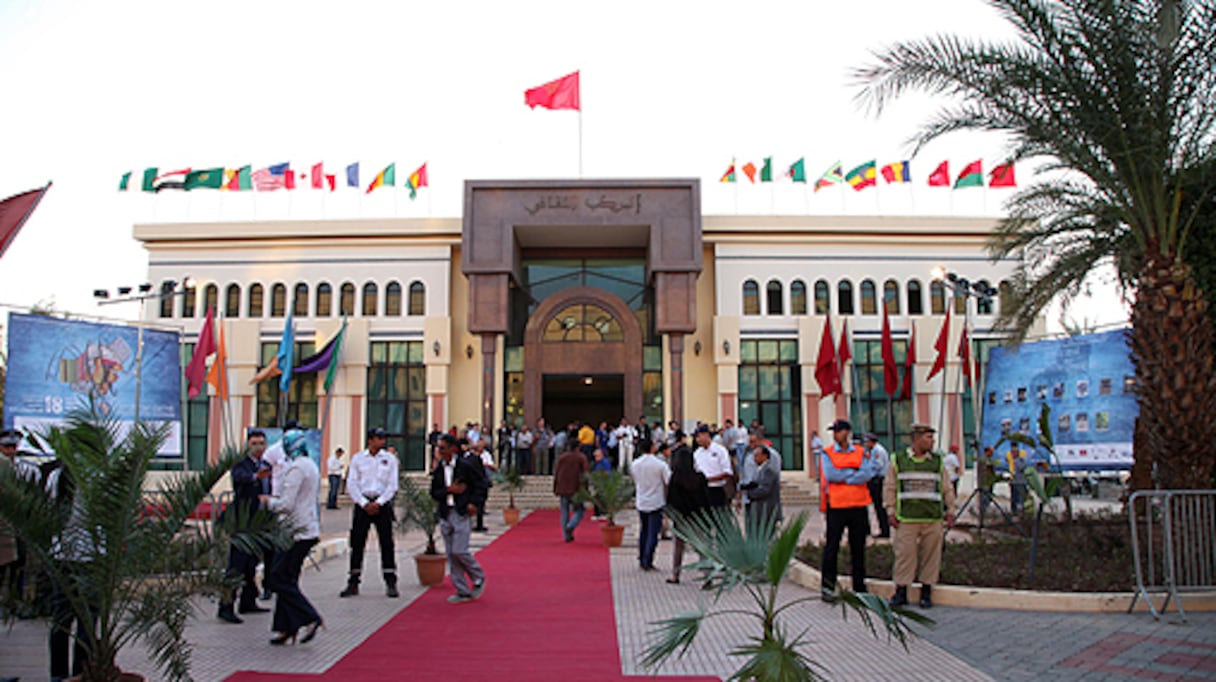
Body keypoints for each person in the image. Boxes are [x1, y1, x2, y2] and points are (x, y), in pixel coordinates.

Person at [259, 429, 324, 645]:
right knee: (288, 579)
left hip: (295, 532)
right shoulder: (311, 465)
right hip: (306, 529)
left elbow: (286, 505)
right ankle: (285, 627)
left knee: (276, 578)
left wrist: (268, 502)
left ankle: (309, 616)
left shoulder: (297, 468)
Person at [884, 423, 956, 609]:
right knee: (905, 555)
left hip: (932, 518)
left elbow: (947, 487)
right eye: (927, 437)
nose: (931, 441)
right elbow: (890, 487)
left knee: (931, 556)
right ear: (916, 439)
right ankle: (901, 591)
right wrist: (890, 511)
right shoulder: (898, 460)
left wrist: (951, 511)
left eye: (932, 437)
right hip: (906, 518)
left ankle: (926, 591)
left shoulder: (938, 462)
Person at [818, 419, 883, 602]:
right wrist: (853, 474)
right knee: (832, 548)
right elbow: (830, 474)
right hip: (836, 506)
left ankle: (859, 588)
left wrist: (845, 476)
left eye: (838, 431)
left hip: (858, 506)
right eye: (834, 431)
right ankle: (828, 588)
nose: (835, 435)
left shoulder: (861, 452)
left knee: (858, 548)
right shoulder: (827, 453)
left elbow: (868, 473)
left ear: (847, 432)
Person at [218, 430, 272, 624]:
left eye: (261, 443)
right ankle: (225, 606)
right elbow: (241, 478)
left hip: (258, 523)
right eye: (254, 443)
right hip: (241, 523)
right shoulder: (243, 466)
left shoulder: (267, 465)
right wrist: (255, 477)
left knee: (251, 564)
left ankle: (248, 601)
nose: (258, 447)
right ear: (248, 446)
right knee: (236, 565)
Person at [340, 427, 400, 598]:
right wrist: (364, 503)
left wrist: (379, 503)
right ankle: (353, 581)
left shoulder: (389, 459)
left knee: (387, 543)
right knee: (357, 543)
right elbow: (352, 483)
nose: (382, 442)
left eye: (383, 438)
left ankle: (390, 581)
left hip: (382, 503)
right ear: (370, 440)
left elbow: (392, 485)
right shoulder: (358, 459)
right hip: (363, 504)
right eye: (379, 438)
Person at [430, 434, 488, 604]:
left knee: (459, 550)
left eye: (441, 447)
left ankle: (478, 575)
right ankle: (462, 590)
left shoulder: (465, 466)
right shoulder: (439, 469)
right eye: (437, 448)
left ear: (451, 448)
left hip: (461, 511)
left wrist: (474, 504)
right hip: (445, 512)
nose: (438, 451)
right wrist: (449, 490)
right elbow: (434, 493)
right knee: (451, 554)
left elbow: (481, 485)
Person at [665, 432, 708, 584]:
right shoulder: (700, 477)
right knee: (702, 546)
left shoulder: (675, 479)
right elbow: (705, 498)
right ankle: (707, 575)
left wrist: (671, 514)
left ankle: (676, 575)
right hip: (698, 516)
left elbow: (671, 499)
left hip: (682, 518)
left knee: (678, 547)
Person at [632, 441, 671, 571]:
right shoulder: (660, 465)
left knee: (644, 530)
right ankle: (648, 559)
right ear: (652, 448)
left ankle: (642, 556)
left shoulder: (635, 464)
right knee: (653, 532)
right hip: (656, 500)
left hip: (641, 500)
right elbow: (668, 480)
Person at [553, 443, 590, 542]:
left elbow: (557, 472)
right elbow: (585, 474)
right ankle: (571, 525)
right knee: (580, 510)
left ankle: (566, 535)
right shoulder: (581, 458)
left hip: (563, 488)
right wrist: (586, 489)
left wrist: (555, 487)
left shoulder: (562, 458)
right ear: (578, 447)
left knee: (564, 511)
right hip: (576, 489)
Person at [740, 444, 782, 531]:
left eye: (757, 456)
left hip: (766, 511)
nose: (754, 459)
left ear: (765, 456)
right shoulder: (760, 470)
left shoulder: (768, 470)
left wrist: (750, 494)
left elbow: (764, 490)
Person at [692, 425, 733, 508]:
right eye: (696, 437)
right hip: (702, 491)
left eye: (699, 436)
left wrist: (710, 479)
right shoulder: (697, 453)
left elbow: (728, 472)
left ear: (706, 435)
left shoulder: (720, 450)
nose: (697, 440)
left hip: (717, 489)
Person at [864, 433, 892, 539]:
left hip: (877, 481)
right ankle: (881, 529)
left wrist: (866, 471)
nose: (866, 444)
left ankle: (885, 530)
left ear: (872, 441)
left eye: (867, 442)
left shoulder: (877, 451)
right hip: (875, 480)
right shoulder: (873, 450)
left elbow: (877, 465)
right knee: (876, 506)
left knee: (879, 506)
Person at [467, 439, 492, 532]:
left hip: (476, 485)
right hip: (478, 486)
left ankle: (477, 524)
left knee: (479, 506)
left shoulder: (470, 458)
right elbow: (479, 473)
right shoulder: (475, 459)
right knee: (479, 506)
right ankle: (478, 525)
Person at [1006, 446, 1028, 512]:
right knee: (1014, 499)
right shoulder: (1011, 460)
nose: (1012, 454)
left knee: (1020, 499)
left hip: (1020, 482)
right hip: (1014, 482)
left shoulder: (1021, 460)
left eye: (1013, 452)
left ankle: (1020, 511)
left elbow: (1021, 468)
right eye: (1011, 453)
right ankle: (1014, 511)